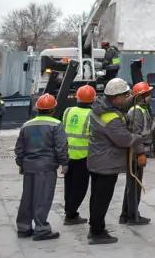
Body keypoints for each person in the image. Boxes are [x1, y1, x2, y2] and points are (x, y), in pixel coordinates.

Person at [87, 78, 142, 245]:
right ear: (116, 97)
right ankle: (97, 233)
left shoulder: (99, 108)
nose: (126, 98)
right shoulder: (112, 118)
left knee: (96, 196)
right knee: (102, 199)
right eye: (125, 95)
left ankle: (95, 227)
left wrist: (134, 97)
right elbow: (124, 140)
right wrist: (138, 138)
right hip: (107, 163)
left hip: (96, 160)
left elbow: (122, 106)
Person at [120, 81, 155, 225]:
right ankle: (133, 216)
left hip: (137, 151)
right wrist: (140, 154)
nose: (150, 96)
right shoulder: (136, 112)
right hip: (135, 152)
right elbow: (135, 135)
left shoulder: (142, 110)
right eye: (148, 94)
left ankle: (126, 215)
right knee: (134, 185)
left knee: (132, 184)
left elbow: (150, 127)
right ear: (141, 96)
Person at [14, 93, 68, 241]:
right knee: (42, 198)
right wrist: (64, 163)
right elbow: (60, 147)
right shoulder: (56, 124)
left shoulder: (27, 125)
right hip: (46, 167)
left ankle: (23, 228)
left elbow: (19, 148)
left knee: (28, 198)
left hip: (29, 166)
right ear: (53, 109)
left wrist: (21, 163)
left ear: (37, 109)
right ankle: (41, 229)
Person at [62, 85, 95, 226]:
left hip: (68, 155)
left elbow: (63, 130)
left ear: (77, 97)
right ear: (93, 100)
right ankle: (71, 214)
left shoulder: (68, 111)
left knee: (69, 186)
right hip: (83, 156)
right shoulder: (92, 115)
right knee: (80, 188)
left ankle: (70, 212)